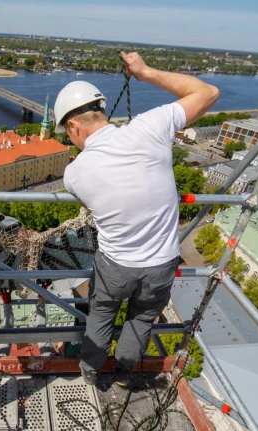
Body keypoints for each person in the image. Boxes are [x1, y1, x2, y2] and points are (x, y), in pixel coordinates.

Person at [54, 52, 219, 386]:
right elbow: (208, 93)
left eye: (68, 133)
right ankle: (127, 371)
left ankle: (90, 370)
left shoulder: (75, 173)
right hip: (161, 262)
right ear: (99, 110)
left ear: (73, 126)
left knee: (100, 316)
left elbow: (94, 202)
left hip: (116, 264)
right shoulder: (150, 126)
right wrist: (144, 72)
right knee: (141, 320)